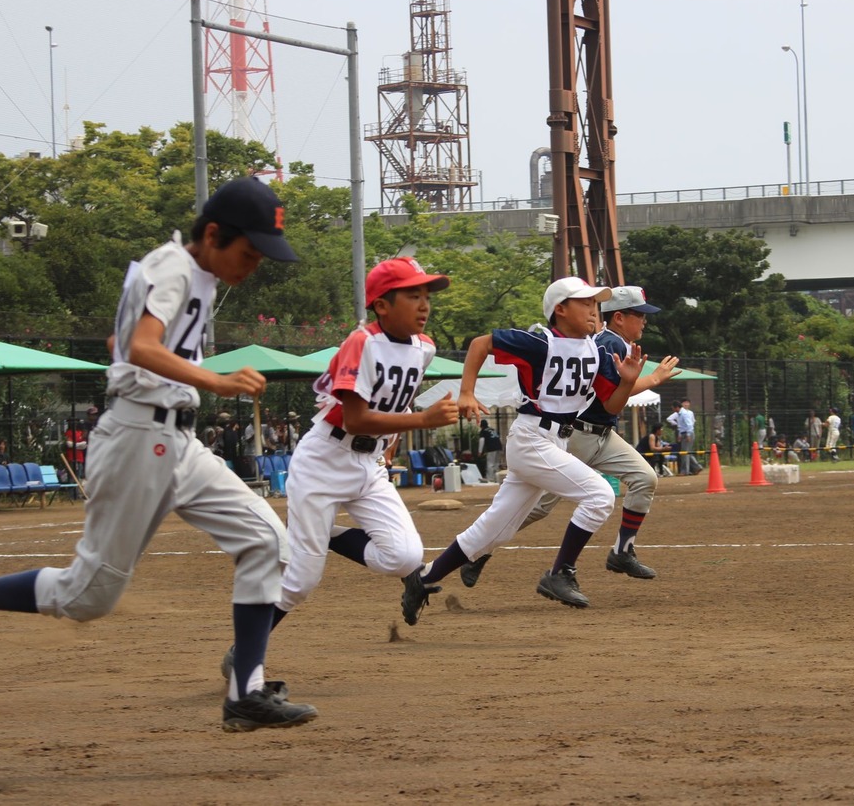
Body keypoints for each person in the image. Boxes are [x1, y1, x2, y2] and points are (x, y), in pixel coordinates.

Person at [0, 177, 318, 732]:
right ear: (211, 234)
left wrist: (154, 359)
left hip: (176, 439)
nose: (252, 266)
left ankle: (244, 692)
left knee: (266, 541)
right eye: (247, 252)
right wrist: (214, 380)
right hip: (137, 439)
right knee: (87, 596)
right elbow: (139, 347)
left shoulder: (191, 271)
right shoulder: (175, 267)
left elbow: (121, 342)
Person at [218, 257, 460, 677]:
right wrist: (423, 420)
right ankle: (244, 651)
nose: (424, 305)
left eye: (426, 296)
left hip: (368, 463)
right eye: (412, 295)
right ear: (382, 305)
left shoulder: (425, 348)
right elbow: (354, 418)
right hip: (324, 462)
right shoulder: (361, 342)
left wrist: (389, 447)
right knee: (300, 583)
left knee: (406, 557)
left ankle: (322, 533)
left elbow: (394, 404)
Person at [409, 276, 645, 613]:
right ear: (560, 309)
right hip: (532, 437)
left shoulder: (597, 349)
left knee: (494, 530)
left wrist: (628, 382)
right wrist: (466, 392)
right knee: (599, 495)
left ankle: (424, 579)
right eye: (585, 303)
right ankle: (560, 572)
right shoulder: (541, 343)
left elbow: (610, 406)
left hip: (554, 443)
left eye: (596, 304)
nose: (594, 311)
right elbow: (481, 344)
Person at [457, 284, 681, 590]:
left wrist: (644, 379)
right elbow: (608, 397)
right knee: (536, 506)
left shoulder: (620, 346)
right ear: (618, 317)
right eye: (639, 314)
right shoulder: (605, 345)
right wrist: (653, 379)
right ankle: (478, 550)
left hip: (603, 435)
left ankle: (622, 551)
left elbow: (613, 399)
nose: (644, 321)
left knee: (645, 477)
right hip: (574, 435)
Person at [478, 419, 503, 483]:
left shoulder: (483, 431)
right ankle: (497, 478)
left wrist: (480, 451)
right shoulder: (493, 429)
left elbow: (482, 441)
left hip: (491, 448)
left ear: (481, 426)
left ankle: (490, 478)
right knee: (496, 463)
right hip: (499, 447)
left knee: (490, 464)